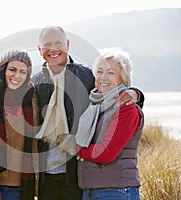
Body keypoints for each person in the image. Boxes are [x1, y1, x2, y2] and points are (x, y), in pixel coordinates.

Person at [32, 26, 144, 200]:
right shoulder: (35, 82)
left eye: (58, 43)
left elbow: (112, 90)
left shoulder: (87, 76)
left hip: (78, 175)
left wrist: (136, 93)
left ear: (67, 45)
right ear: (39, 50)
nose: (53, 49)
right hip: (48, 176)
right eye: (47, 45)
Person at [76, 47, 144, 200]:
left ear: (123, 77)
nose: (103, 77)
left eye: (110, 73)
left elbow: (105, 154)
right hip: (91, 189)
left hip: (116, 191)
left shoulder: (127, 109)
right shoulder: (95, 106)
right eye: (99, 71)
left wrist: (74, 146)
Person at [0, 50, 39, 200]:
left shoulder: (33, 100)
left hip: (22, 186)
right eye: (12, 70)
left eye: (23, 72)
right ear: (3, 71)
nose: (17, 76)